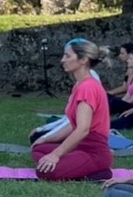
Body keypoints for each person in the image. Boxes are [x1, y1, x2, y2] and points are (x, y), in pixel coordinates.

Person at [31, 38, 112, 182]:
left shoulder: (88, 87)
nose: (63, 60)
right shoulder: (80, 85)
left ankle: (99, 170)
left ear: (83, 60)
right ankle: (79, 166)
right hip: (80, 147)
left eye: (68, 56)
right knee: (38, 149)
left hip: (94, 152)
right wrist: (45, 138)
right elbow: (71, 125)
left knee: (45, 171)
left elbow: (83, 129)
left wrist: (56, 154)